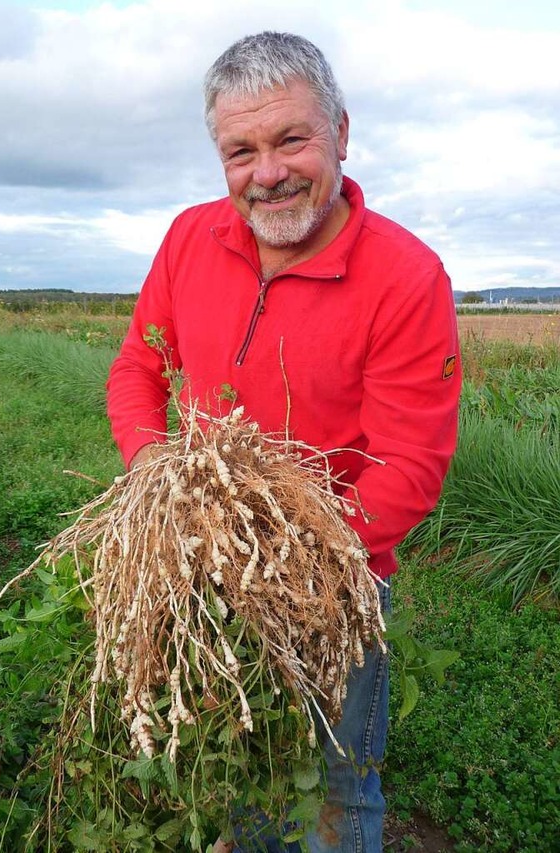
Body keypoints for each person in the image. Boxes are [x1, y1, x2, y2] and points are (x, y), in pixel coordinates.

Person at [106, 31, 461, 853]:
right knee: (244, 755)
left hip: (335, 580)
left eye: (291, 139)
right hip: (197, 563)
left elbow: (409, 468)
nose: (267, 172)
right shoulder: (190, 239)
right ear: (221, 156)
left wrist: (281, 566)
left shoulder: (406, 278)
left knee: (338, 788)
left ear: (341, 129)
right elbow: (138, 367)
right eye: (241, 150)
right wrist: (157, 476)